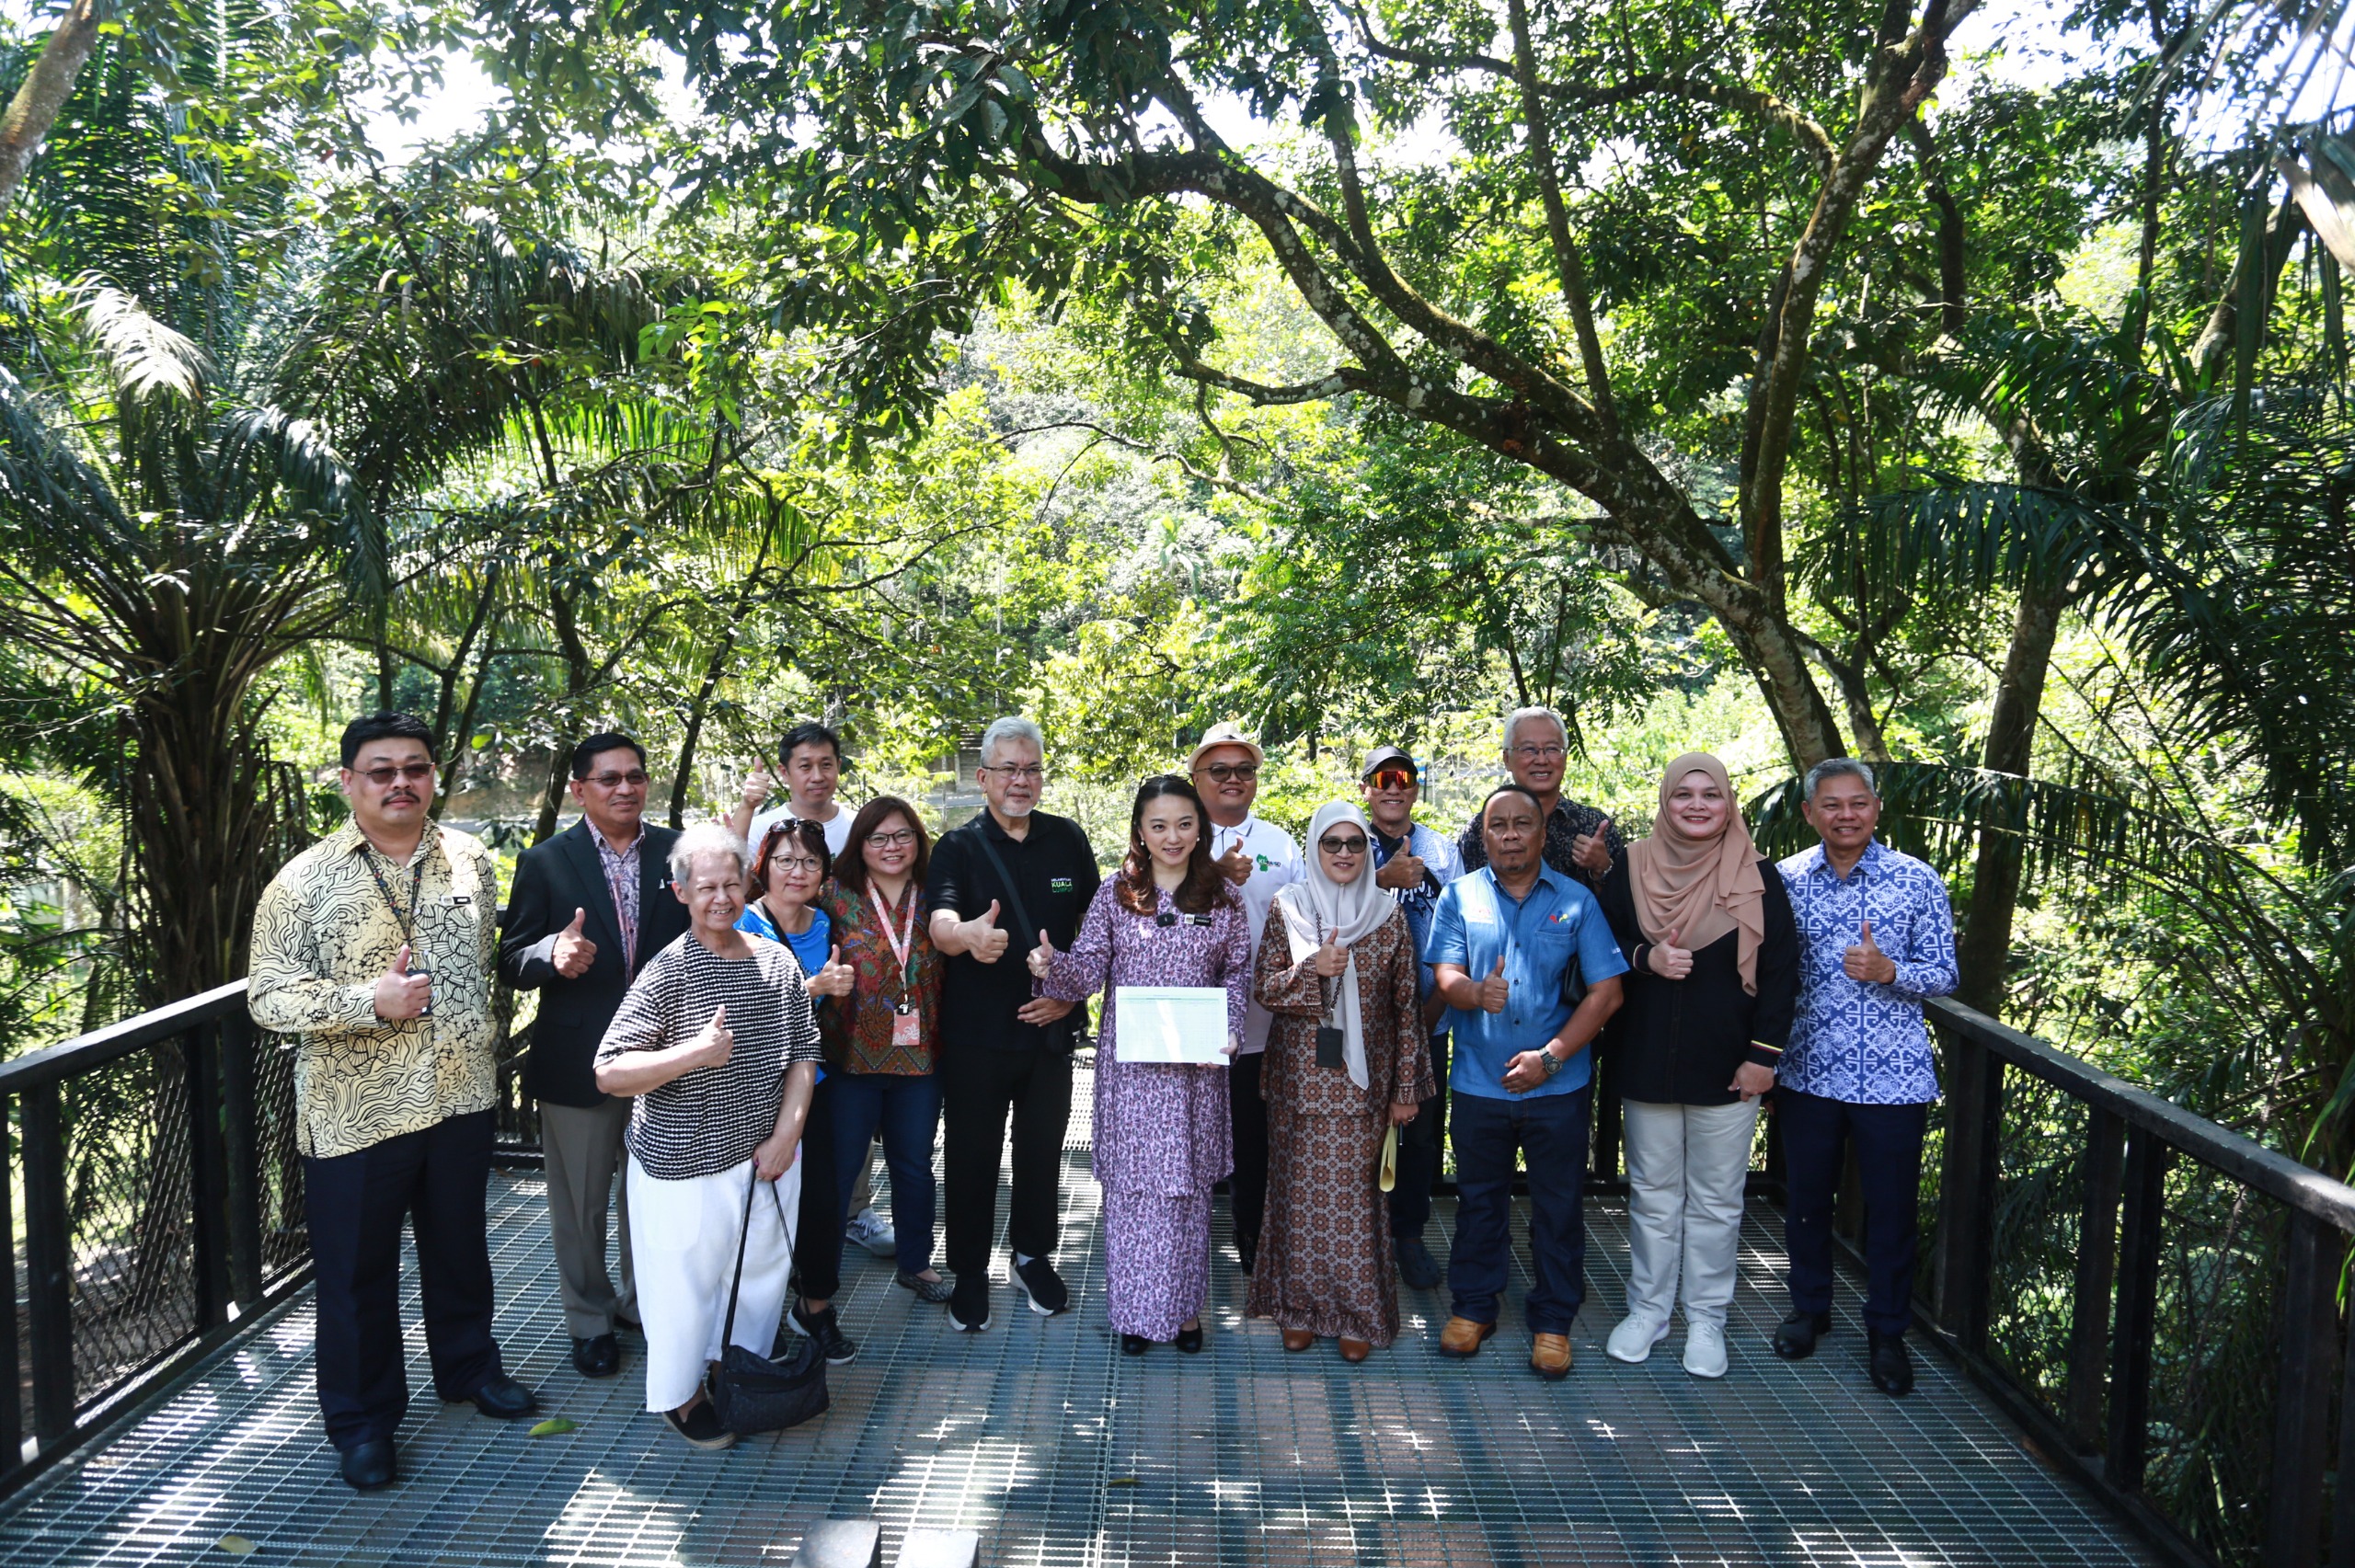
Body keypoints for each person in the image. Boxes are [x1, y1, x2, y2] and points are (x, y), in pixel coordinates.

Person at [248, 712, 537, 1492]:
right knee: (355, 1274)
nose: (400, 781)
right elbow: (267, 996)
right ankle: (363, 1422)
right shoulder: (301, 880)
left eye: (415, 767)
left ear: (434, 775)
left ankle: (469, 1367)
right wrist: (365, 1001)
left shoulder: (471, 858)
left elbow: (480, 965)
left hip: (460, 1092)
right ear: (349, 781)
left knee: (460, 1247)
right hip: (356, 1109)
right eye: (382, 770)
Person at [594, 823, 822, 1452]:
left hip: (768, 1157)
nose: (722, 898)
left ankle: (736, 1369)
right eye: (706, 887)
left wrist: (787, 1136)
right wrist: (693, 1053)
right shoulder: (667, 971)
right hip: (683, 1162)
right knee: (683, 1288)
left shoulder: (776, 960)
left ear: (748, 884)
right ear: (681, 892)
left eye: (731, 884)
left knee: (760, 1277)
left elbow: (805, 1052)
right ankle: (680, 1394)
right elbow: (609, 1071)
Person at [1594, 753, 1799, 1379]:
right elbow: (1596, 948)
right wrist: (1645, 957)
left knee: (1717, 1201)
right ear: (1665, 801)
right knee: (1653, 1197)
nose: (1697, 805)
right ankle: (1649, 1310)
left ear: (1729, 802)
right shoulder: (1631, 866)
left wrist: (1763, 1058)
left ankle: (1706, 1318)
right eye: (1683, 793)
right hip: (1646, 1058)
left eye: (1711, 793)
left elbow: (1781, 973)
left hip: (1730, 1068)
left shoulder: (1758, 875)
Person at [1037, 776, 1250, 1355]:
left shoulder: (1223, 898)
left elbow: (1237, 971)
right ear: (1140, 831)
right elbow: (1087, 970)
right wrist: (1051, 964)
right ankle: (1134, 1314)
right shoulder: (1116, 893)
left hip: (1195, 1072)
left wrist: (1231, 1027)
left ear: (1200, 828)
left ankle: (1184, 1311)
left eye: (1184, 824)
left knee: (1188, 1194)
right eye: (1159, 825)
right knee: (1132, 1194)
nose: (1172, 837)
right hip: (1132, 1074)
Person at [500, 733, 689, 1382]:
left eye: (635, 776)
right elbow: (511, 957)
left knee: (655, 1193)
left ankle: (644, 1305)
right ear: (580, 789)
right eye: (609, 779)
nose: (625, 788)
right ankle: (590, 1321)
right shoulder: (546, 861)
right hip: (577, 1056)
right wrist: (551, 952)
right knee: (580, 1203)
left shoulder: (678, 852)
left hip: (666, 1056)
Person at [1428, 784, 1628, 1379]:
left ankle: (1553, 1321)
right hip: (1479, 1083)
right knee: (1478, 1202)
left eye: (1523, 824)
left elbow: (1607, 993)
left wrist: (1551, 1058)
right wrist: (1473, 992)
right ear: (1484, 835)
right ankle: (1472, 1308)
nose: (1511, 834)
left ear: (1543, 835)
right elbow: (1445, 975)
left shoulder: (1576, 900)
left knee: (1559, 1207)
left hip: (1557, 1088)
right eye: (1499, 825)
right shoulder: (1460, 896)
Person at [1772, 759, 1958, 1396]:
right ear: (1809, 813)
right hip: (1807, 1069)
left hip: (1894, 1078)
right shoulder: (1786, 880)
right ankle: (1809, 1309)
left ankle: (1887, 1331)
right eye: (1831, 804)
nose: (1845, 815)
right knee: (1806, 1201)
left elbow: (1946, 973)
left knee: (1891, 1210)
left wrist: (1890, 971)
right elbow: (1767, 969)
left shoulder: (1916, 879)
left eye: (1858, 803)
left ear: (1877, 808)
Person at [926, 716, 1101, 1331]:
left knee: (1042, 1150)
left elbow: (1096, 929)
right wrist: (967, 936)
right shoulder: (958, 846)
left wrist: (1069, 993)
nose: (1020, 780)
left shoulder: (1067, 839)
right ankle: (969, 1270)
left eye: (1031, 769)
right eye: (1008, 769)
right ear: (983, 778)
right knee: (970, 1155)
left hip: (1050, 1032)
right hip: (976, 1035)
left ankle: (1032, 1256)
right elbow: (941, 923)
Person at [1248, 801, 1432, 1361]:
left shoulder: (1387, 915)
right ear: (1315, 848)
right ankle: (1298, 1310)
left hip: (1364, 1087)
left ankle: (1357, 1316)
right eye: (1333, 843)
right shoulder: (1288, 906)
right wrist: (1314, 970)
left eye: (1356, 843)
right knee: (1296, 1202)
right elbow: (1264, 988)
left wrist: (1405, 1091)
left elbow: (1406, 1007)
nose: (1345, 853)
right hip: (1297, 1085)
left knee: (1355, 1207)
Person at [725, 719, 893, 1257]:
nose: (817, 775)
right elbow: (728, 882)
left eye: (827, 764)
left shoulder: (857, 827)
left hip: (846, 1009)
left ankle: (852, 1213)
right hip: (771, 1027)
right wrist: (746, 807)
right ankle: (770, 1245)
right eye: (805, 765)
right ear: (785, 772)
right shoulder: (765, 826)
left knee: (842, 1130)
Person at [737, 819, 858, 1365]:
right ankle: (753, 1320)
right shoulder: (742, 924)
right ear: (763, 866)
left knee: (823, 1200)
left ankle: (815, 1306)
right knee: (758, 1204)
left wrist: (835, 990)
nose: (797, 871)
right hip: (751, 1087)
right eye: (785, 860)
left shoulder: (825, 923)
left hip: (816, 1082)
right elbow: (739, 1008)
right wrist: (813, 987)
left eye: (810, 861)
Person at [821, 797, 950, 1304]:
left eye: (902, 835)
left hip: (922, 1056)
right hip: (850, 1057)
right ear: (860, 845)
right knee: (840, 1169)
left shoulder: (939, 893)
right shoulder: (833, 894)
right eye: (878, 838)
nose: (891, 846)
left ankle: (916, 1263)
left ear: (918, 839)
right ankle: (818, 1280)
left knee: (914, 1164)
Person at [1188, 720, 1304, 1275]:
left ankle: (1252, 1236)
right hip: (1189, 1021)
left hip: (1262, 1023)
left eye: (1244, 769)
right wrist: (1211, 875)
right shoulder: (1176, 834)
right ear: (1196, 777)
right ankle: (1183, 1243)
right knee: (1188, 1132)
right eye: (1219, 769)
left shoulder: (1280, 843)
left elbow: (1308, 920)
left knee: (1254, 1138)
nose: (1233, 779)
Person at [1359, 745, 1464, 1290]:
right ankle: (1360, 1235)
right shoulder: (1343, 842)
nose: (1394, 787)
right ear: (1365, 789)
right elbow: (1320, 910)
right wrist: (1380, 878)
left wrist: (1435, 1007)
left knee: (1420, 1134)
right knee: (1356, 1131)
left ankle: (1409, 1235)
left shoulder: (1442, 851)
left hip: (1429, 1019)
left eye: (1404, 777)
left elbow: (1460, 932)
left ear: (1416, 788)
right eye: (1383, 779)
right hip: (1355, 1026)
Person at [1456, 706, 1624, 889]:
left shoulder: (1593, 827)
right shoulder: (1480, 829)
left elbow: (1625, 902)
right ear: (1506, 759)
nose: (1542, 760)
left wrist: (1602, 868)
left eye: (1552, 749)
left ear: (1565, 758)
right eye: (1529, 750)